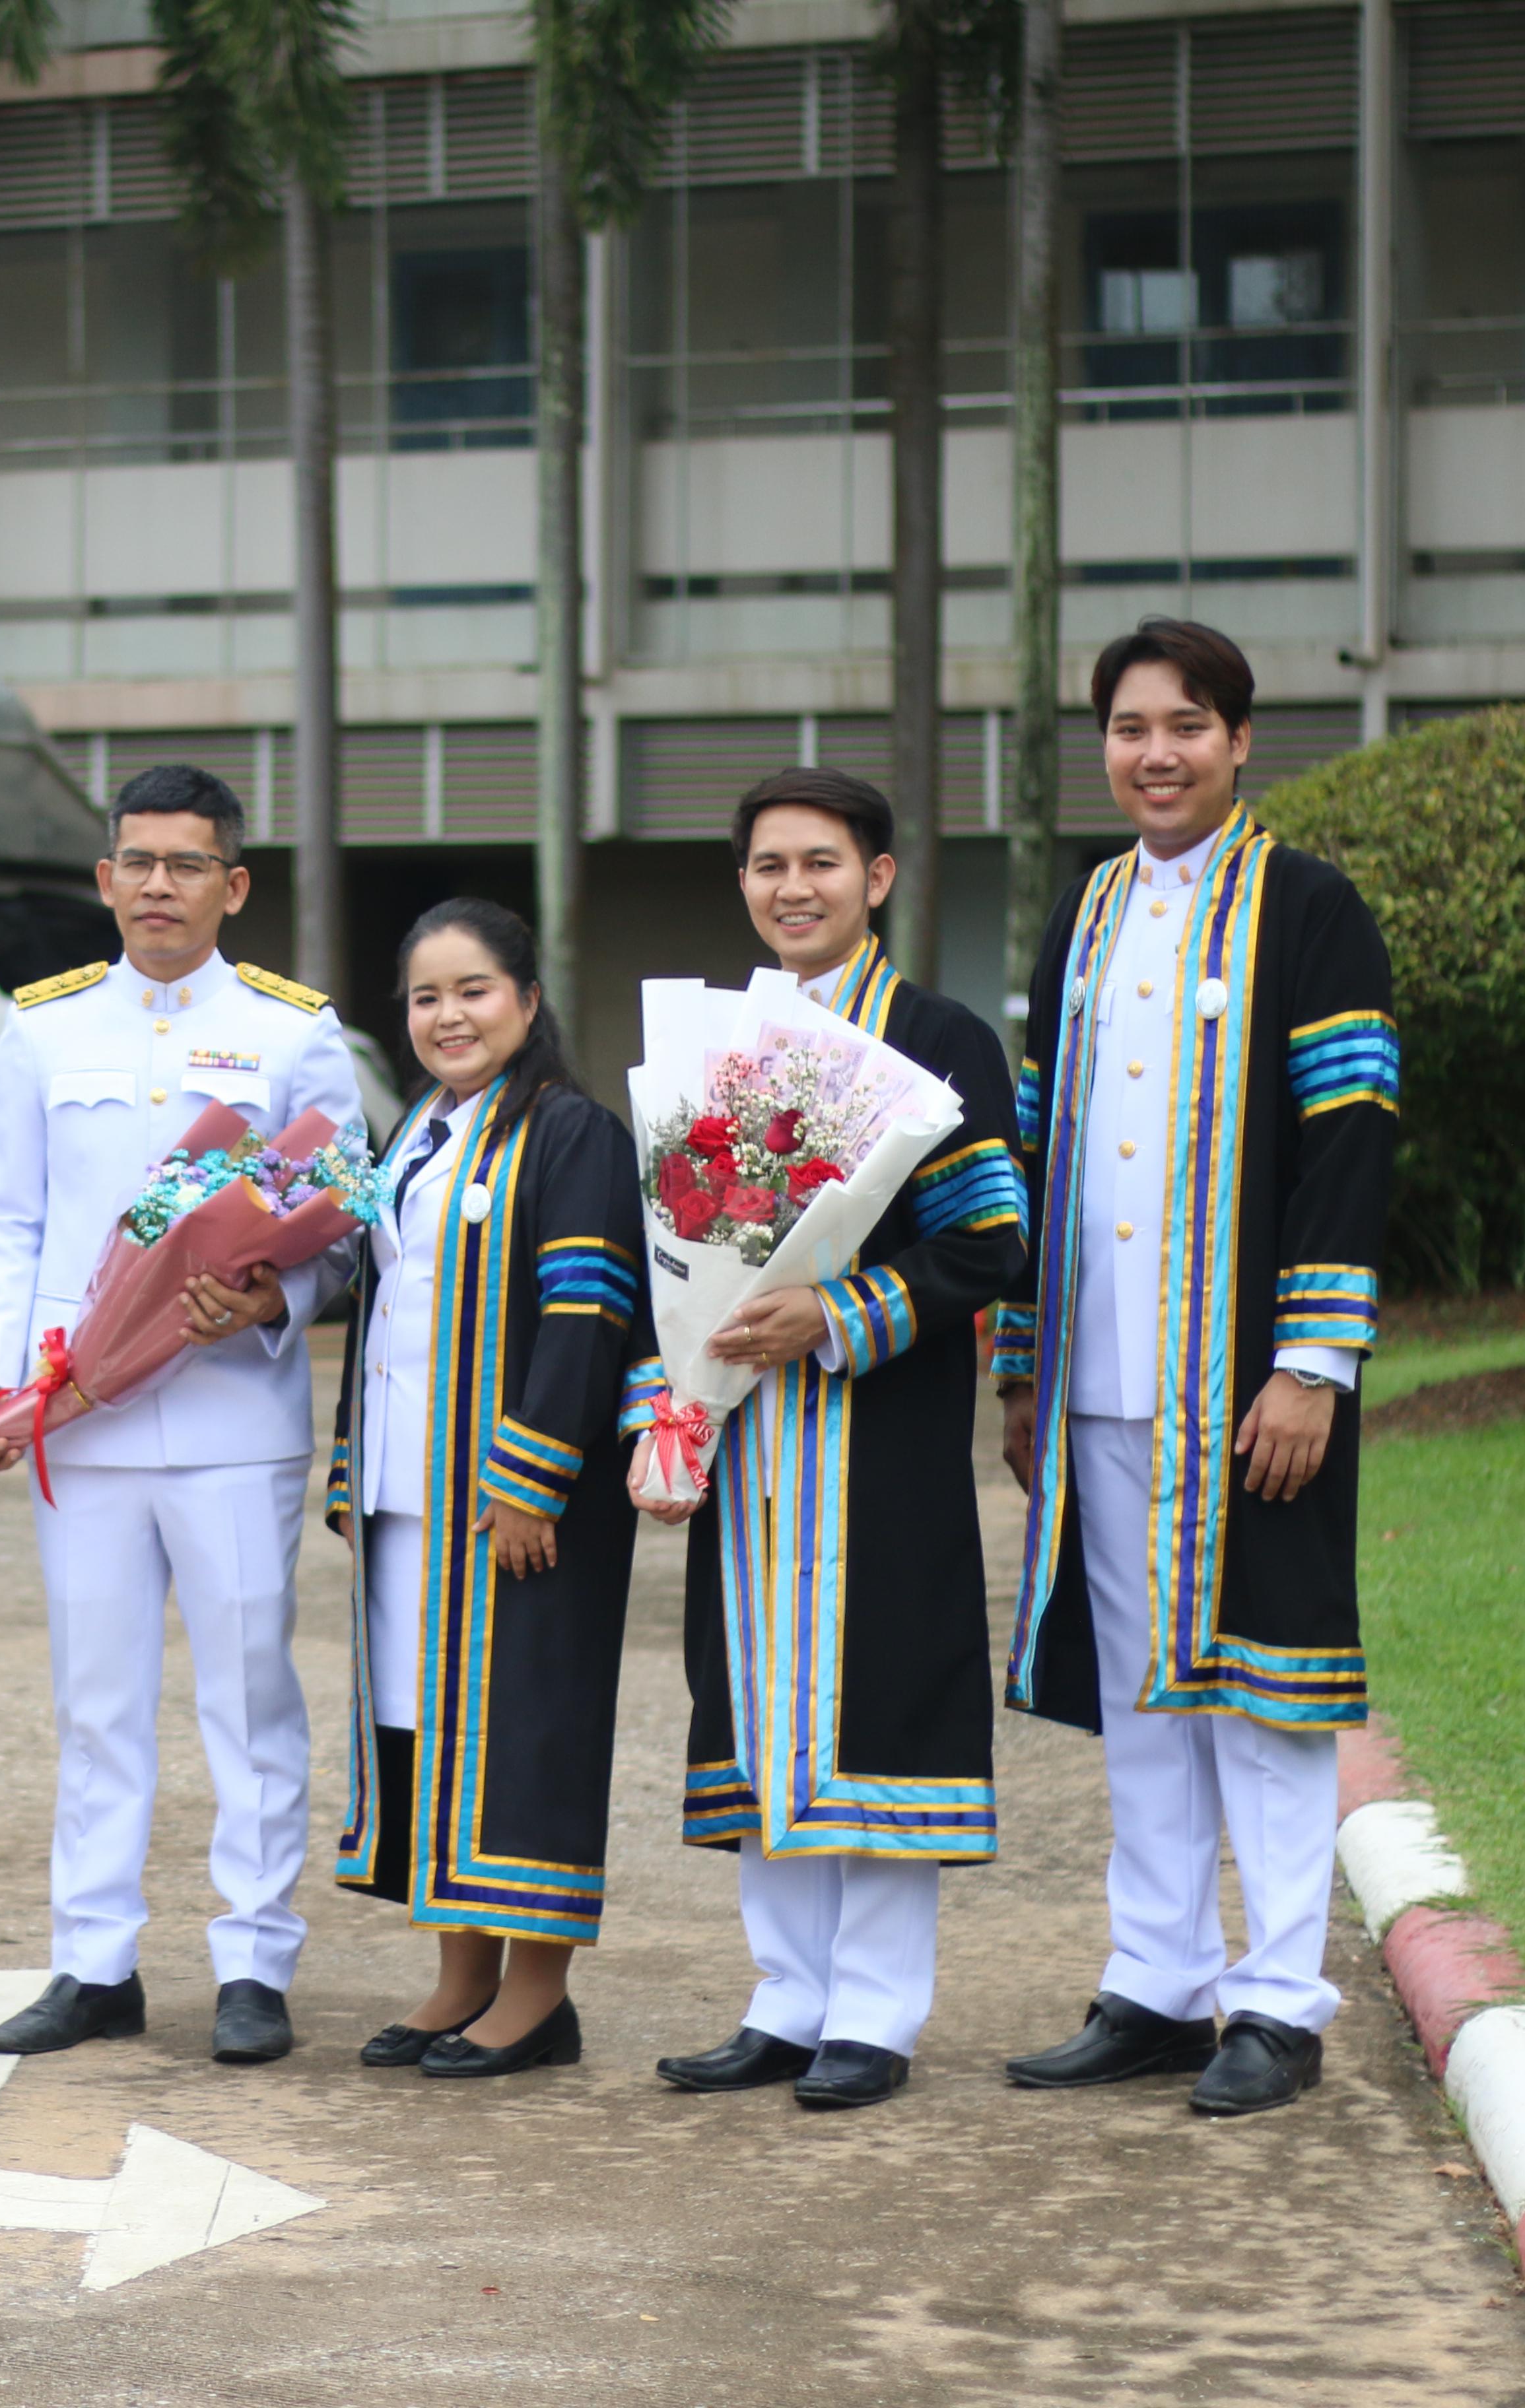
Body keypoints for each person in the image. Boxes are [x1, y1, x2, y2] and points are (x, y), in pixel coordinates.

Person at [994, 618, 1398, 2117]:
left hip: (1247, 1387)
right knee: (1146, 1704)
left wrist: (1312, 1363)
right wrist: (1026, 1370)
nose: (1154, 754)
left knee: (1264, 1699)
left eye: (1185, 726)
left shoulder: (1308, 908)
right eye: (1127, 728)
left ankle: (1278, 2005)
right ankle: (1158, 1985)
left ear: (1239, 742)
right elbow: (1039, 1151)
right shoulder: (1086, 914)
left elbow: (1353, 1143)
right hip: (1102, 1379)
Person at [0, 764, 366, 2067]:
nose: (158, 886)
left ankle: (253, 1959)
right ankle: (95, 1960)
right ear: (105, 880)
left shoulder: (298, 1033)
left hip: (233, 1412)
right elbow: (7, 1222)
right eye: (136, 861)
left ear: (233, 885)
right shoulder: (45, 1029)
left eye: (187, 865)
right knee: (98, 1696)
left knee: (250, 1692)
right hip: (81, 1414)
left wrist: (268, 1303)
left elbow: (349, 1232)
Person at [631, 771, 1027, 2111]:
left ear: (881, 875)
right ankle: (785, 1998)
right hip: (747, 1440)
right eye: (765, 866)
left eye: (820, 861)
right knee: (752, 1698)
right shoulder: (717, 1045)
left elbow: (988, 1242)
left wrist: (839, 1309)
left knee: (880, 1701)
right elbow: (671, 1247)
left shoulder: (943, 1038)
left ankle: (876, 2012)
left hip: (879, 1431)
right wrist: (672, 1398)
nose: (791, 887)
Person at [325, 898, 644, 2078]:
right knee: (426, 1730)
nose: (448, 1015)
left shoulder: (574, 1134)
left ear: (528, 1000)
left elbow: (588, 1312)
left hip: (518, 1501)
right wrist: (356, 1471)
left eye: (473, 991)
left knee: (530, 1732)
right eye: (425, 996)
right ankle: (461, 1976)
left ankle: (539, 1995)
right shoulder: (413, 1133)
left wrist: (533, 1477)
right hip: (414, 1496)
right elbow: (379, 1312)